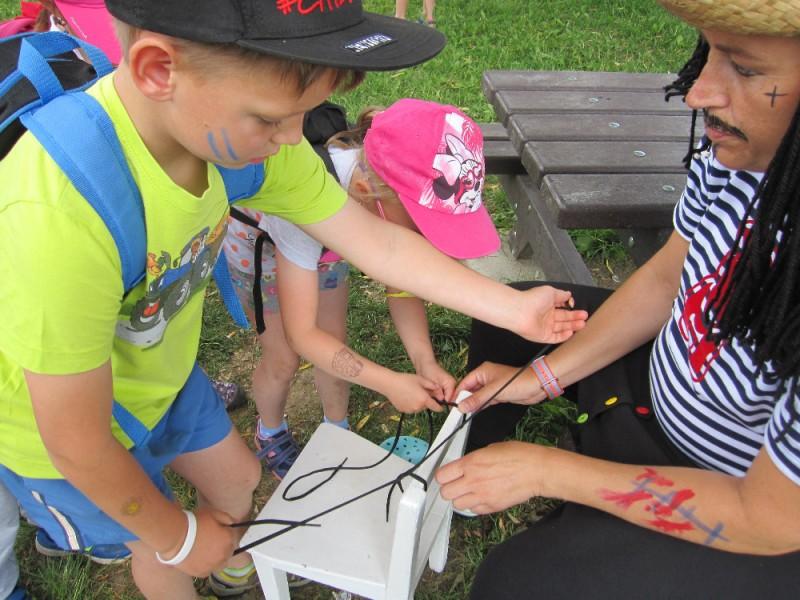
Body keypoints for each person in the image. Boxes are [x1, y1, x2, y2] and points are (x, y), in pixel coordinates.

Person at [0, 1, 586, 599]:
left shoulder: (238, 136)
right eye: (272, 118)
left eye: (301, 114)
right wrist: (178, 537)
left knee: (240, 479)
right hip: (63, 433)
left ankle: (223, 562)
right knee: (158, 553)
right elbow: (76, 440)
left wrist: (514, 309)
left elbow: (379, 244)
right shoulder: (58, 213)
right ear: (158, 70)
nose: (290, 139)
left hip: (163, 379)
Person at [436, 0, 800, 597]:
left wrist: (551, 471)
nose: (698, 93)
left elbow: (766, 519)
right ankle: (471, 477)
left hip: (738, 501)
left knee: (513, 583)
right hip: (664, 381)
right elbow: (666, 278)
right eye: (707, 54)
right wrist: (541, 378)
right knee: (513, 317)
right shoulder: (739, 155)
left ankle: (556, 499)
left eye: (744, 68)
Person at [224, 98, 498, 479]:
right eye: (419, 229)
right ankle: (270, 431)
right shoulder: (302, 201)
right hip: (265, 248)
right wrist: (388, 383)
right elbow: (303, 336)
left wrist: (424, 361)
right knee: (284, 357)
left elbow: (401, 286)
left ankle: (336, 430)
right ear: (367, 190)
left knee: (334, 341)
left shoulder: (374, 198)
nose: (423, 242)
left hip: (328, 246)